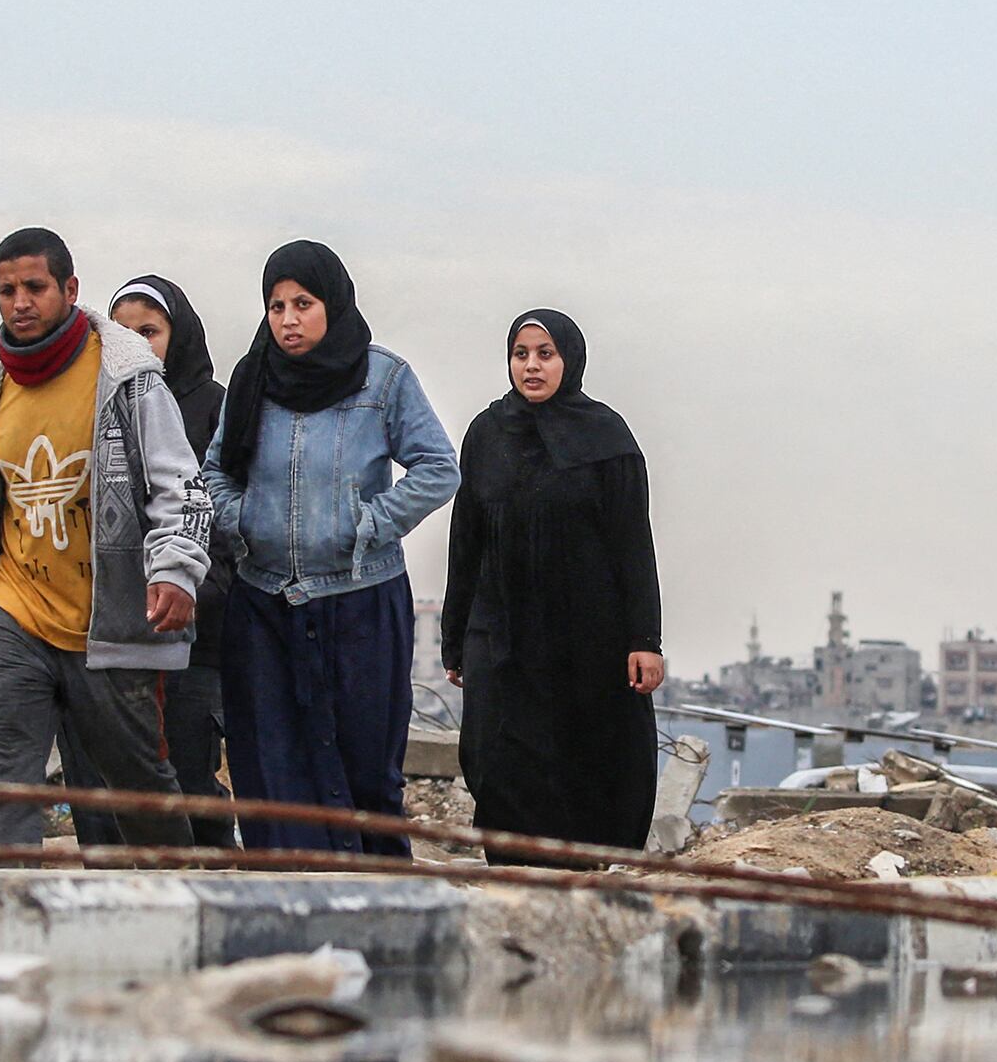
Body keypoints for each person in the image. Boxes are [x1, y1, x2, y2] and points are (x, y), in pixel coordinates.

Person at [0, 226, 210, 855]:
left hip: (109, 617)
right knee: (3, 781)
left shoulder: (128, 375)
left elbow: (181, 482)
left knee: (135, 784)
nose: (21, 302)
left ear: (69, 288)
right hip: (13, 609)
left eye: (35, 287)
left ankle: (173, 897)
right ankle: (7, 916)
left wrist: (175, 570)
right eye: (7, 290)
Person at [204, 240, 459, 854]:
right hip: (265, 604)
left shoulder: (382, 377)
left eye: (303, 303)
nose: (288, 320)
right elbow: (214, 470)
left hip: (360, 602)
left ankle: (373, 908)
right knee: (270, 767)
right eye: (276, 305)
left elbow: (437, 468)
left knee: (365, 765)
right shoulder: (252, 379)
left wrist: (367, 524)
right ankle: (287, 908)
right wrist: (243, 522)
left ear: (333, 304)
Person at [442, 310, 665, 852]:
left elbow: (633, 545)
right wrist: (455, 640)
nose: (532, 366)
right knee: (495, 757)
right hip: (502, 636)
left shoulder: (607, 438)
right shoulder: (486, 434)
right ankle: (514, 877)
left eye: (546, 354)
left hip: (587, 640)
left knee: (586, 761)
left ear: (570, 359)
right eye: (521, 354)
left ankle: (583, 879)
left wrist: (645, 640)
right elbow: (466, 541)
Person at [107, 275, 236, 849]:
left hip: (194, 623)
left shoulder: (213, 407)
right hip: (114, 623)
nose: (135, 343)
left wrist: (194, 585)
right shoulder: (100, 405)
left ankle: (212, 868)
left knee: (188, 770)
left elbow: (225, 508)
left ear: (176, 336)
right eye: (122, 332)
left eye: (149, 331)